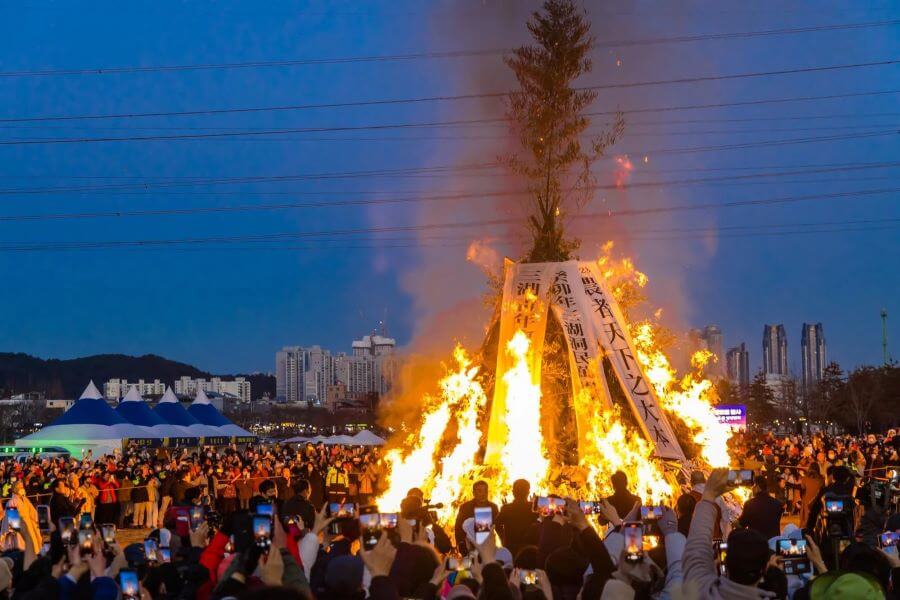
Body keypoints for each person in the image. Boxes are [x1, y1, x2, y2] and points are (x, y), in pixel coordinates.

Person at [683, 468, 785, 599]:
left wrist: (709, 495)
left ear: (724, 565)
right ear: (764, 569)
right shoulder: (777, 504)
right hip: (768, 543)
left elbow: (695, 555)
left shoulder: (705, 593)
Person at [453, 480, 499, 554]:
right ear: (474, 493)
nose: (483, 494)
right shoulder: (465, 508)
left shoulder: (493, 507)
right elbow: (458, 528)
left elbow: (498, 527)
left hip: (488, 549)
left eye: (485, 491)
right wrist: (461, 545)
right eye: (480, 491)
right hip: (470, 548)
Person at [495, 478, 538, 558]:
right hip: (530, 550)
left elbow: (495, 525)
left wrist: (502, 537)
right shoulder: (534, 508)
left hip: (511, 550)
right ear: (528, 492)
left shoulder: (506, 508)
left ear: (513, 492)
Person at [737, 475, 784, 540]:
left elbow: (742, 524)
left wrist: (735, 523)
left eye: (753, 486)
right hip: (773, 543)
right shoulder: (777, 504)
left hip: (757, 543)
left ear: (758, 487)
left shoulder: (749, 504)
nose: (752, 488)